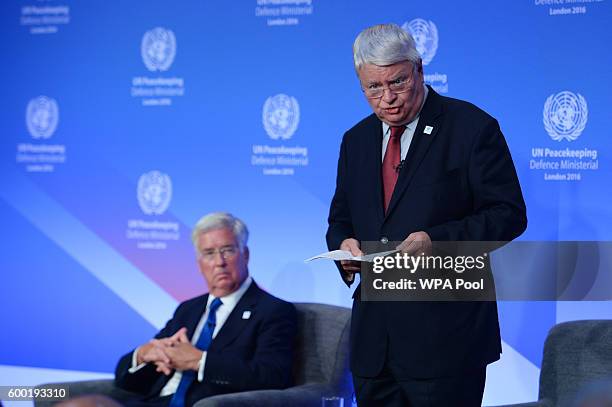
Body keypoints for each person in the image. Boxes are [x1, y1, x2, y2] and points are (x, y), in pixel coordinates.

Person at [326, 24, 527, 406]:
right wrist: (343, 245)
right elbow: (341, 218)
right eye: (373, 88)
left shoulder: (471, 128)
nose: (388, 98)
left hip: (446, 342)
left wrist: (436, 242)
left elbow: (509, 214)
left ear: (419, 69)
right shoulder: (356, 140)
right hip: (375, 346)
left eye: (397, 82)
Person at [114, 212, 297, 407]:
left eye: (228, 250)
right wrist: (143, 354)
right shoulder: (188, 310)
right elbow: (125, 380)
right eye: (209, 253)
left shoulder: (273, 311)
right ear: (199, 264)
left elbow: (272, 376)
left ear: (245, 254)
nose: (219, 262)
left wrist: (199, 361)